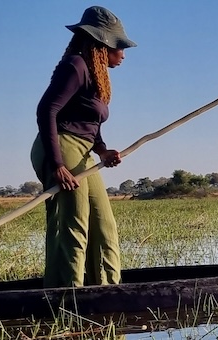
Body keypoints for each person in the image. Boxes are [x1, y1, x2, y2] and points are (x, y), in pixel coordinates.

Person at [30, 6, 136, 287]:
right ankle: (70, 294)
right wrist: (57, 165)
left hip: (84, 151)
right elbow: (46, 111)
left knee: (103, 224)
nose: (123, 54)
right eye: (118, 46)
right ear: (101, 44)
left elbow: (91, 123)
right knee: (74, 223)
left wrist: (102, 150)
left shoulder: (97, 74)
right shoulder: (75, 66)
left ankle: (107, 289)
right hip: (60, 146)